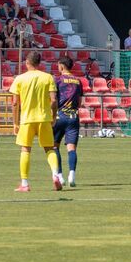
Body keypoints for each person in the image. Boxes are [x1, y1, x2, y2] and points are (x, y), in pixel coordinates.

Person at [9, 51, 62, 192]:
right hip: (44, 118)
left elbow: (15, 103)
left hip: (27, 119)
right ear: (39, 63)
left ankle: (25, 184)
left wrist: (15, 123)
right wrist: (54, 116)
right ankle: (55, 175)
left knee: (25, 149)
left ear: (27, 62)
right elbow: (54, 100)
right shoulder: (48, 77)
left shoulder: (20, 79)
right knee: (49, 148)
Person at [51, 57, 86, 188]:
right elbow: (80, 102)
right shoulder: (78, 81)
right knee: (71, 148)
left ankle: (59, 176)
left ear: (61, 66)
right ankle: (72, 174)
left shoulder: (57, 80)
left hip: (60, 116)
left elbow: (53, 99)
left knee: (55, 146)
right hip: (73, 117)